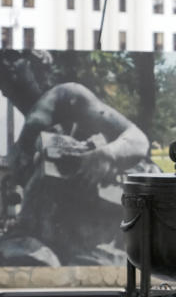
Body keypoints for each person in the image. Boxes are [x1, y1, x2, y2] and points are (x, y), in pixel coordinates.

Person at [0, 50, 160, 266]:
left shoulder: (69, 96)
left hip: (122, 201)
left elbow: (138, 139)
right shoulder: (24, 144)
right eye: (4, 74)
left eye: (12, 59)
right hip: (67, 233)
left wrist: (108, 155)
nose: (8, 71)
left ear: (38, 64)